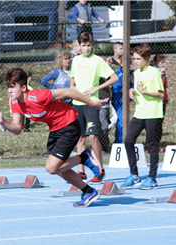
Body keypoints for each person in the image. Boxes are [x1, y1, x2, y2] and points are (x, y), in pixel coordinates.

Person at [0, 68, 109, 207]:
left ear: (23, 87)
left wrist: (91, 103)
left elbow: (68, 92)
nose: (9, 90)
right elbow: (17, 129)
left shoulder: (38, 96)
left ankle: (85, 157)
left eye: (13, 87)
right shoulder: (15, 102)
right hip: (55, 130)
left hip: (69, 126)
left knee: (51, 168)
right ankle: (88, 191)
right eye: (8, 87)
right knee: (57, 169)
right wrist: (3, 122)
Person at [70, 32, 119, 184]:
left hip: (91, 103)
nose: (86, 48)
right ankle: (81, 171)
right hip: (77, 103)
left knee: (93, 137)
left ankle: (100, 168)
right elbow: (72, 80)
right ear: (79, 46)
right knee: (80, 138)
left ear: (93, 45)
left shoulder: (97, 60)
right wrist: (73, 88)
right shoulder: (76, 60)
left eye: (89, 45)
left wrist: (95, 88)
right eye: (83, 45)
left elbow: (115, 77)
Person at [121, 44, 164, 190]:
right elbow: (137, 88)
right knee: (128, 141)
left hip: (152, 113)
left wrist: (145, 93)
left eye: (138, 59)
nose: (136, 61)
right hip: (139, 112)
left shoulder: (154, 72)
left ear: (146, 59)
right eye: (134, 59)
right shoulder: (137, 72)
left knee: (151, 145)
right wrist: (132, 91)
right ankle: (134, 176)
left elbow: (161, 94)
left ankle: (152, 179)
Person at [111, 66, 134, 144]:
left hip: (126, 102)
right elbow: (116, 87)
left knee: (122, 123)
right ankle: (119, 142)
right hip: (118, 102)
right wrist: (126, 88)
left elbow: (135, 85)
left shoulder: (132, 74)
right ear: (121, 63)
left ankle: (120, 141)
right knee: (121, 122)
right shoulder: (117, 74)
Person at [152, 54, 168, 151]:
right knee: (155, 124)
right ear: (157, 63)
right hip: (156, 101)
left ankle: (157, 144)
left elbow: (165, 86)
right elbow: (158, 86)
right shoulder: (154, 72)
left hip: (163, 101)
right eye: (162, 62)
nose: (163, 64)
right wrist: (161, 75)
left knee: (160, 124)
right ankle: (152, 144)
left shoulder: (163, 72)